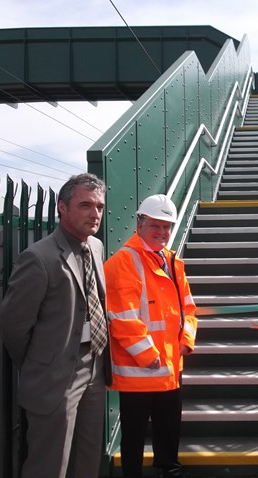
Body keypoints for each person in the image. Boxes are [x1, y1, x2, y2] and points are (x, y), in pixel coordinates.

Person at [0, 173, 107, 478]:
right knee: (50, 465)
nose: (95, 213)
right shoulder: (38, 257)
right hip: (55, 376)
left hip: (95, 367)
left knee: (86, 461)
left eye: (99, 206)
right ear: (62, 207)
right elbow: (13, 326)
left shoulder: (96, 248)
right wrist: (42, 364)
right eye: (86, 205)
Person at [104, 194, 197, 478]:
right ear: (140, 223)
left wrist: (187, 341)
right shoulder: (124, 262)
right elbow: (121, 316)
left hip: (170, 365)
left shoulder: (171, 260)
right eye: (156, 226)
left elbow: (188, 309)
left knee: (169, 431)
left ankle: (168, 470)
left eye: (167, 227)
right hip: (141, 369)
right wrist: (148, 355)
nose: (162, 233)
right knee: (133, 437)